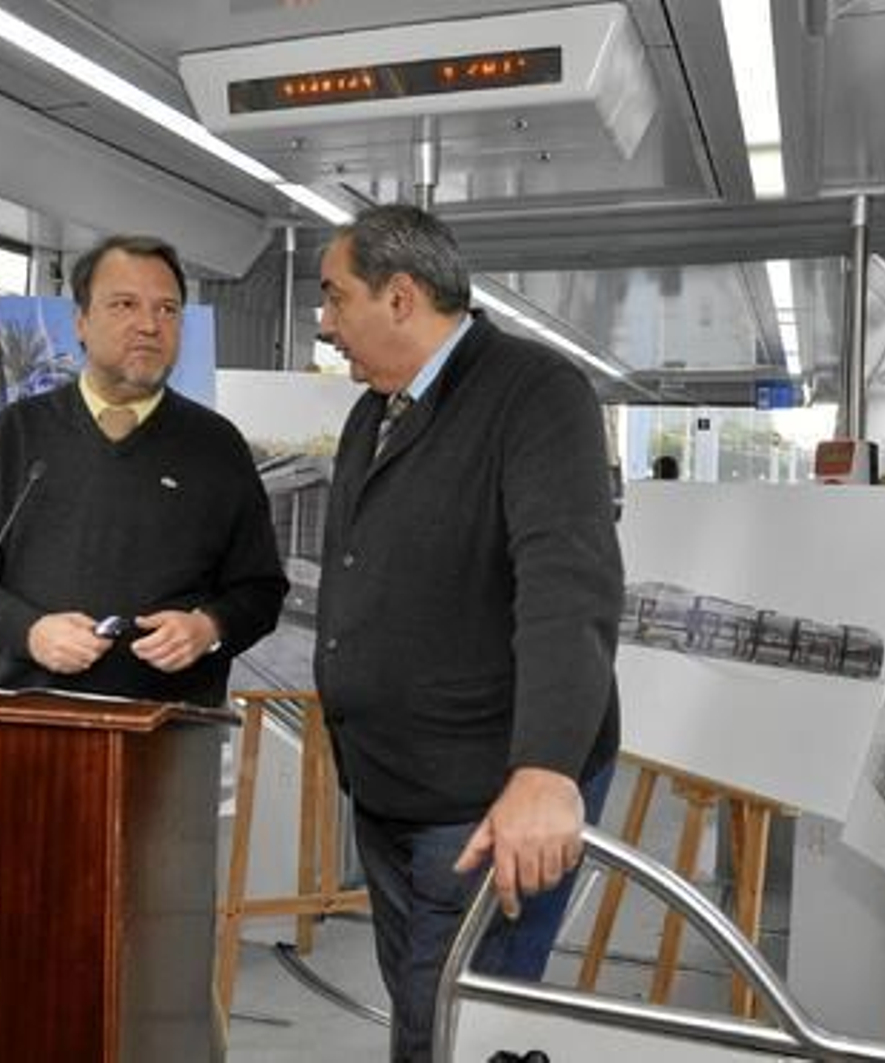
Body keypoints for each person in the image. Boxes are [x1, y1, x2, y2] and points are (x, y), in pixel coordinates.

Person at [313, 204, 623, 1062]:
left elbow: (570, 587)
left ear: (401, 296)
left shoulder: (535, 394)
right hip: (391, 786)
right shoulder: (374, 413)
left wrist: (545, 769)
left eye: (336, 299)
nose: (326, 323)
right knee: (427, 1011)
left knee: (450, 1029)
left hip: (488, 796)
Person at [0, 234, 287, 706]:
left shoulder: (218, 446)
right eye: (124, 305)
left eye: (167, 310)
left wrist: (208, 627)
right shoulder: (18, 435)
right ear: (81, 321)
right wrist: (28, 632)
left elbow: (261, 590)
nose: (149, 325)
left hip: (170, 733)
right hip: (29, 726)